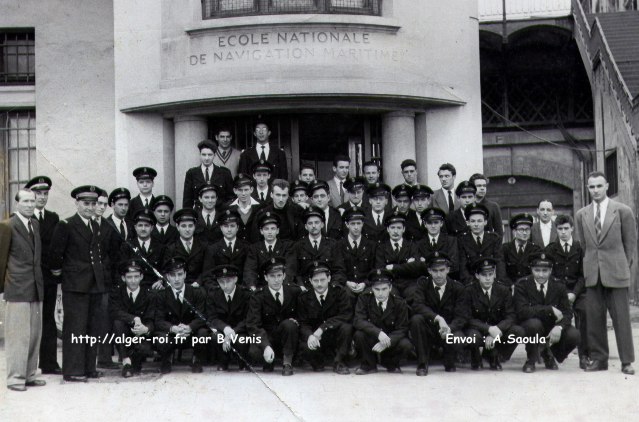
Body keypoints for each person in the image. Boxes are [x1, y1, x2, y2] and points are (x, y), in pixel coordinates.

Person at [50, 185, 119, 382]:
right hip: (76, 285)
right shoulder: (67, 225)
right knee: (76, 328)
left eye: (93, 204)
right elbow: (56, 256)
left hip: (95, 284)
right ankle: (72, 370)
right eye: (85, 203)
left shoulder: (96, 226)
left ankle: (89, 367)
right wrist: (64, 276)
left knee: (92, 328)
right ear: (77, 203)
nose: (89, 207)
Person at [575, 171, 637, 375]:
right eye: (591, 187)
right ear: (588, 188)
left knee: (621, 319)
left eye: (599, 186)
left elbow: (629, 244)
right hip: (593, 273)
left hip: (616, 272)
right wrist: (592, 266)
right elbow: (585, 245)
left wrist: (621, 266)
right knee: (594, 318)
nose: (595, 190)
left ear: (607, 186)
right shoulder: (582, 214)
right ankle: (599, 359)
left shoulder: (622, 211)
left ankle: (626, 361)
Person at [0, 189, 46, 391]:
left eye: (32, 201)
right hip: (17, 288)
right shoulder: (7, 226)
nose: (29, 205)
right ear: (16, 203)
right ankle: (15, 378)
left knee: (34, 334)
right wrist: (3, 289)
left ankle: (29, 374)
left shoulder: (35, 224)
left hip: (36, 287)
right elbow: (1, 260)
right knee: (18, 336)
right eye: (25, 201)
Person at [514, 253, 580, 373]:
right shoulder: (522, 285)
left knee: (574, 335)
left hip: (551, 326)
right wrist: (549, 309)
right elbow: (521, 311)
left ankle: (549, 353)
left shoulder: (558, 285)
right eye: (537, 270)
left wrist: (559, 327)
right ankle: (531, 358)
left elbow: (567, 313)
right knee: (534, 325)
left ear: (550, 271)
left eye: (545, 270)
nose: (540, 274)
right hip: (530, 325)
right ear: (531, 269)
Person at [24, 176, 61, 375]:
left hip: (48, 277)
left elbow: (55, 248)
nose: (42, 197)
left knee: (48, 318)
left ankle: (49, 363)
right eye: (38, 194)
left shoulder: (53, 218)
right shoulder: (25, 217)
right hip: (30, 277)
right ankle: (28, 365)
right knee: (30, 321)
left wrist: (56, 269)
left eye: (45, 194)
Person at [459, 258, 525, 370]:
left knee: (518, 332)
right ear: (477, 275)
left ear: (495, 274)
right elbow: (467, 318)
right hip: (477, 329)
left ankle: (496, 354)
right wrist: (489, 329)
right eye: (484, 275)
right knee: (473, 338)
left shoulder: (503, 290)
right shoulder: (469, 291)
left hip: (498, 329)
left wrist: (498, 329)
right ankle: (475, 355)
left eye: (491, 274)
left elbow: (511, 315)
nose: (488, 278)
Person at [409, 252, 466, 376]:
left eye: (442, 270)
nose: (439, 274)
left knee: (459, 340)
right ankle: (422, 362)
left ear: (448, 270)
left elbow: (462, 316)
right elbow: (417, 305)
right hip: (430, 328)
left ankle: (449, 359)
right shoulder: (423, 284)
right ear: (429, 271)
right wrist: (438, 318)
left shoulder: (458, 288)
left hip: (449, 328)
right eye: (435, 270)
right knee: (416, 320)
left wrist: (449, 328)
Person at [545, 214, 589, 368]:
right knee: (551, 314)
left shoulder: (580, 248)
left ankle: (584, 355)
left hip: (577, 292)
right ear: (556, 230)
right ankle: (549, 352)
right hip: (558, 293)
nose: (563, 232)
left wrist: (575, 293)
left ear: (572, 229)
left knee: (584, 311)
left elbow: (584, 276)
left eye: (566, 228)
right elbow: (548, 276)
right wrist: (563, 294)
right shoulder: (551, 249)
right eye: (560, 229)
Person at [246, 257, 301, 376]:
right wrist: (265, 346)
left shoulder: (293, 292)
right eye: (272, 276)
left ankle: (287, 363)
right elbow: (253, 325)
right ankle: (269, 359)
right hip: (267, 337)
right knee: (254, 352)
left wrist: (296, 320)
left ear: (284, 276)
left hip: (287, 339)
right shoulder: (258, 296)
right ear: (265, 277)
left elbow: (303, 314)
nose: (276, 280)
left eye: (279, 275)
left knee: (289, 324)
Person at [153, 257, 208, 374]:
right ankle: (166, 358)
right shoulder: (161, 295)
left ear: (185, 275)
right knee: (160, 337)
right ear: (167, 277)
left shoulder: (196, 292)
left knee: (203, 333)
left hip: (190, 334)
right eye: (173, 275)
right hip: (172, 334)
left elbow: (201, 317)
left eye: (180, 274)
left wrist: (189, 327)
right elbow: (158, 320)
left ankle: (196, 359)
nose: (176, 279)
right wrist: (173, 328)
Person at [297, 261, 353, 374]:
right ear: (310, 281)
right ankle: (317, 360)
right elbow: (303, 322)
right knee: (305, 347)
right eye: (315, 281)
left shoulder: (339, 292)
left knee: (347, 328)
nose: (319, 284)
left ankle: (339, 361)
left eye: (322, 280)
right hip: (316, 338)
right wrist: (310, 336)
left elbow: (345, 315)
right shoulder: (304, 297)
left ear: (329, 278)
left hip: (334, 335)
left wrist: (322, 328)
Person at [353, 269, 412, 374]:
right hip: (372, 338)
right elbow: (358, 320)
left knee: (406, 345)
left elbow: (402, 328)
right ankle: (369, 365)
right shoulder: (364, 298)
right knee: (359, 334)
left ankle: (391, 364)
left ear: (390, 288)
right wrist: (378, 333)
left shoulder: (399, 302)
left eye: (384, 289)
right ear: (372, 288)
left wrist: (388, 340)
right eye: (377, 289)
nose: (380, 293)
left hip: (389, 340)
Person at [390, 207, 460, 288]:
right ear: (425, 224)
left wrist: (425, 263)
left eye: (436, 222)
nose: (433, 226)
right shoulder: (418, 244)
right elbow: (417, 268)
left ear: (441, 223)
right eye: (430, 223)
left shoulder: (451, 241)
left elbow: (454, 266)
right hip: (426, 284)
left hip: (448, 282)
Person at [109, 260, 155, 378]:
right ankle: (126, 362)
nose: (133, 280)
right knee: (117, 323)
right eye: (129, 277)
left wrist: (146, 329)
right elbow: (114, 311)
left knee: (144, 350)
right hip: (124, 334)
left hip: (142, 334)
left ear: (141, 277)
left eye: (136, 276)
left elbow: (152, 317)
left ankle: (134, 361)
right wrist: (133, 318)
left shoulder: (149, 294)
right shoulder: (117, 292)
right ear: (123, 278)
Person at [205, 264, 252, 371]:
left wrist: (232, 332)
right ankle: (223, 361)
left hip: (240, 331)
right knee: (215, 337)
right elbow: (211, 318)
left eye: (228, 281)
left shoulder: (246, 295)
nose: (225, 285)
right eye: (221, 282)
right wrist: (226, 329)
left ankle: (242, 362)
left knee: (242, 340)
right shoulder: (213, 294)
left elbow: (248, 319)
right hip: (223, 331)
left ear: (235, 279)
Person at [291, 206, 347, 289]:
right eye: (310, 223)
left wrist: (332, 286)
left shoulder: (333, 244)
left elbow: (339, 270)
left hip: (329, 288)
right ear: (306, 226)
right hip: (306, 290)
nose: (313, 226)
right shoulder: (298, 246)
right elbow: (293, 272)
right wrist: (301, 286)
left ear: (322, 224)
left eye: (317, 222)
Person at [243, 212, 296, 290]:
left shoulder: (287, 246)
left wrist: (282, 287)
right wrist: (252, 286)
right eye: (266, 229)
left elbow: (289, 269)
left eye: (273, 228)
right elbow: (250, 270)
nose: (270, 232)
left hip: (282, 286)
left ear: (277, 230)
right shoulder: (254, 248)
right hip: (261, 288)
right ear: (261, 231)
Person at [458, 204, 507, 285]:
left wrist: (498, 282)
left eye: (479, 221)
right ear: (468, 223)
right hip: (471, 284)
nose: (476, 224)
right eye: (473, 221)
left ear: (485, 222)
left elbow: (500, 262)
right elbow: (463, 266)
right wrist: (472, 283)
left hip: (492, 282)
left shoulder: (494, 238)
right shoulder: (462, 240)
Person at [374, 212, 419, 299]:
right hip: (391, 284)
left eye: (399, 228)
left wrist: (393, 267)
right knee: (391, 296)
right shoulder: (381, 248)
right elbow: (381, 270)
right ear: (388, 229)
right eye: (392, 227)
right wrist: (406, 265)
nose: (395, 231)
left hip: (409, 284)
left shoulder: (411, 245)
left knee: (414, 294)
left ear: (404, 229)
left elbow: (416, 268)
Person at [201, 209, 249, 290]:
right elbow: (207, 276)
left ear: (237, 227)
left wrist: (241, 290)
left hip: (241, 291)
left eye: (232, 226)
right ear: (221, 228)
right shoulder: (212, 249)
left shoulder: (246, 247)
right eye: (226, 226)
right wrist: (218, 289)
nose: (229, 229)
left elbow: (248, 273)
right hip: (219, 291)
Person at [119, 209, 165, 291]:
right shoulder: (127, 246)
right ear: (135, 227)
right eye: (140, 225)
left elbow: (164, 270)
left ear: (152, 228)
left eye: (146, 225)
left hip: (155, 289)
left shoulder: (160, 247)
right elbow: (122, 270)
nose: (143, 229)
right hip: (134, 289)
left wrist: (161, 281)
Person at [338, 206, 377, 298]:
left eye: (358, 223)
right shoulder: (339, 245)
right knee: (345, 295)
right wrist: (347, 282)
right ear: (347, 225)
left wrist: (365, 283)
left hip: (366, 285)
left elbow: (374, 269)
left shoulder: (371, 245)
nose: (356, 227)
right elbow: (338, 269)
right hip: (347, 285)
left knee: (369, 295)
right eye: (352, 224)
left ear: (363, 224)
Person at [163, 208, 208, 287]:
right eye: (183, 226)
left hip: (199, 287)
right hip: (178, 288)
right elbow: (165, 272)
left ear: (195, 227)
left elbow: (207, 270)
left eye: (190, 226)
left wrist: (198, 282)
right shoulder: (171, 248)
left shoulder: (203, 246)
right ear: (177, 227)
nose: (187, 230)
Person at [183, 139, 234, 209]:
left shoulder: (224, 173)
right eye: (204, 155)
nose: (206, 158)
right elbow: (187, 201)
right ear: (200, 155)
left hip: (220, 214)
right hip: (199, 215)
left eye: (210, 155)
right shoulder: (192, 173)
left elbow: (231, 198)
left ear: (214, 155)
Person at [502, 213, 542, 288]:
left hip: (529, 289)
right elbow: (502, 273)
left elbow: (537, 273)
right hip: (509, 290)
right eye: (521, 229)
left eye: (527, 229)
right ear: (514, 232)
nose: (525, 233)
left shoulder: (536, 250)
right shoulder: (505, 249)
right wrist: (512, 286)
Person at [225, 173, 262, 242]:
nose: (243, 193)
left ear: (251, 189)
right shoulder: (228, 207)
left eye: (246, 190)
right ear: (235, 191)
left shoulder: (261, 206)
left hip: (255, 248)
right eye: (240, 190)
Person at [470, 173, 503, 237]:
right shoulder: (468, 206)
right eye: (479, 186)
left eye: (484, 186)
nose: (482, 188)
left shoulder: (493, 207)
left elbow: (499, 232)